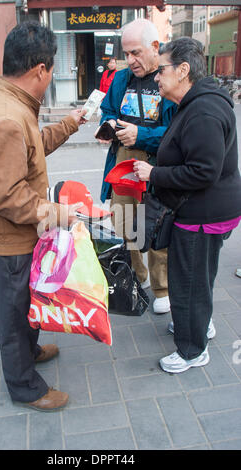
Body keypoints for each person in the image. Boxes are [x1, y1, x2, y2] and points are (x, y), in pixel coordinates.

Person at [0, 22, 87, 411]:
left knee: (25, 303)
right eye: (50, 72)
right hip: (4, 242)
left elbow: (30, 148)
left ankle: (29, 354)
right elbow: (4, 193)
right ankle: (25, 387)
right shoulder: (4, 117)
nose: (49, 79)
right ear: (40, 70)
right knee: (13, 317)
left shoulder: (14, 104)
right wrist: (59, 214)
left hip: (15, 237)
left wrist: (71, 123)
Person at [133, 37, 241, 373]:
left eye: (161, 69)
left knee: (189, 280)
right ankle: (199, 325)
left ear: (182, 71)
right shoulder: (196, 103)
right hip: (205, 210)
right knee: (199, 275)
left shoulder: (204, 110)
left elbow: (203, 171)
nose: (156, 77)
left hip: (202, 214)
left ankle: (193, 350)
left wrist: (155, 173)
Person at [96, 19, 177, 314]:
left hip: (157, 163)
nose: (130, 60)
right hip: (123, 159)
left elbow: (176, 131)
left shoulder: (169, 77)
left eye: (136, 53)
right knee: (123, 222)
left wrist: (141, 135)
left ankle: (162, 287)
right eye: (127, 53)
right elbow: (107, 108)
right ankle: (136, 275)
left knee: (155, 223)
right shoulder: (121, 79)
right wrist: (108, 124)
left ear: (155, 48)